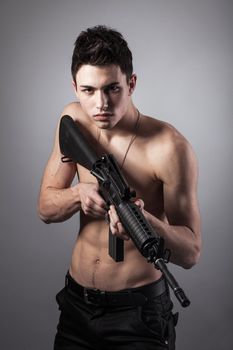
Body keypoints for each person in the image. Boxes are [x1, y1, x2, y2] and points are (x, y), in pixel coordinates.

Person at [38, 25, 201, 350]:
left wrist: (146, 223)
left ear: (131, 83)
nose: (100, 104)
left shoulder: (170, 148)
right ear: (75, 87)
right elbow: (45, 207)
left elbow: (191, 253)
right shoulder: (73, 120)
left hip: (139, 316)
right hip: (76, 306)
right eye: (87, 90)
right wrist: (77, 194)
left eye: (112, 88)